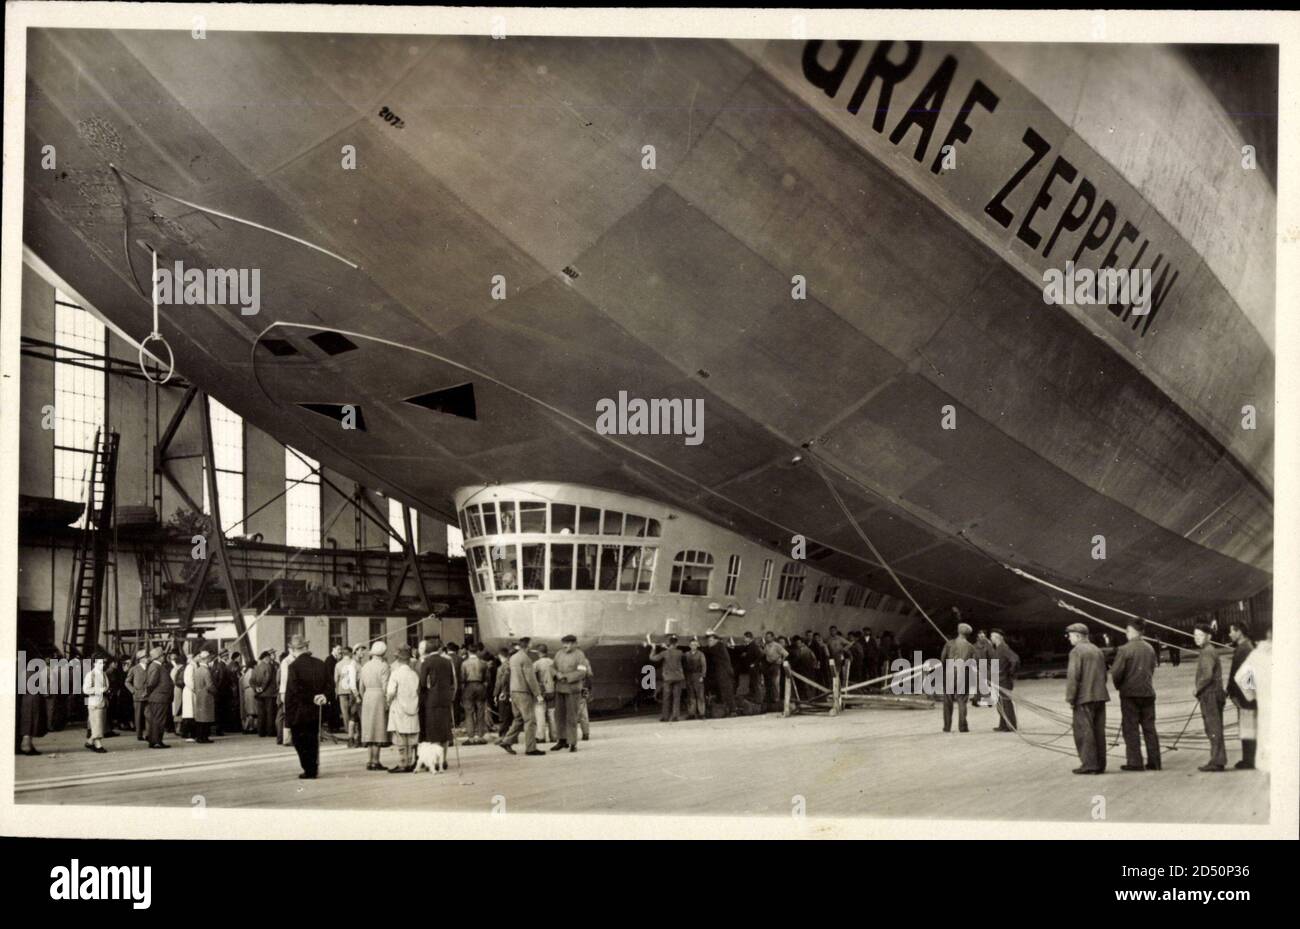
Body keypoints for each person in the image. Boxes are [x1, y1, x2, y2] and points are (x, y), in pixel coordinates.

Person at [1109, 619, 1161, 771]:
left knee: (1131, 729)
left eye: (1127, 630)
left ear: (1132, 631)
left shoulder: (1125, 649)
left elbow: (1116, 672)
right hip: (1148, 692)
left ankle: (1135, 762)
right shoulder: (1150, 648)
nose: (1126, 633)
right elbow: (1152, 668)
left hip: (1130, 694)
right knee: (1150, 728)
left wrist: (1120, 686)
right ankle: (1155, 762)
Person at [283, 635, 333, 779]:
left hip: (299, 711)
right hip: (317, 710)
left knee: (300, 742)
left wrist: (288, 719)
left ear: (292, 650)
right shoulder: (320, 663)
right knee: (313, 739)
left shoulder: (293, 667)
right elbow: (330, 685)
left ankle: (308, 769)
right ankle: (313, 767)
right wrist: (324, 696)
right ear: (306, 648)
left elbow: (293, 692)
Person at [1065, 622, 1110, 774]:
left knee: (1084, 732)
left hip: (1084, 698)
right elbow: (1104, 674)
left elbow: (1073, 677)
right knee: (1098, 732)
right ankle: (1100, 764)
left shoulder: (1076, 651)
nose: (1069, 639)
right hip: (1100, 696)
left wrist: (1071, 698)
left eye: (1070, 636)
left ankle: (1090, 765)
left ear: (1078, 636)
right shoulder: (1096, 649)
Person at [499, 637, 544, 756]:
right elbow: (530, 678)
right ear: (528, 645)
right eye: (531, 643)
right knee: (530, 720)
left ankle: (506, 741)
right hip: (523, 692)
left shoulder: (513, 657)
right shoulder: (526, 659)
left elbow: (507, 675)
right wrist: (538, 693)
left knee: (518, 719)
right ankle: (531, 748)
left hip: (514, 691)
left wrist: (506, 691)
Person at [1193, 623, 1228, 772]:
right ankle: (1218, 759)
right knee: (1214, 727)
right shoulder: (1208, 650)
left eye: (1200, 635)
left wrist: (1197, 689)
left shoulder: (1207, 652)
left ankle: (1217, 761)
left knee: (1213, 728)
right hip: (1213, 693)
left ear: (1209, 636)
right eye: (1195, 635)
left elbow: (1207, 675)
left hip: (1210, 695)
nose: (1197, 638)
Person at [1226, 621, 1257, 770]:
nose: (1230, 634)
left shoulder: (1244, 649)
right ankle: (1249, 758)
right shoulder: (1246, 647)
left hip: (1245, 696)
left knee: (1247, 727)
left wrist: (1240, 695)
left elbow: (1243, 674)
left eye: (1232, 631)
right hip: (1246, 695)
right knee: (1248, 726)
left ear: (1239, 632)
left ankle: (1249, 760)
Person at [419, 641, 457, 760]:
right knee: (445, 729)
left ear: (427, 650)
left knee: (433, 729)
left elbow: (423, 683)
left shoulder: (427, 662)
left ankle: (436, 760)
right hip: (445, 698)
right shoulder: (447, 661)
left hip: (432, 699)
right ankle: (444, 759)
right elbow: (451, 680)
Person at [386, 646, 421, 773]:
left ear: (398, 660)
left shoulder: (395, 674)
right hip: (413, 707)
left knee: (400, 736)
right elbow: (418, 691)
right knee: (411, 736)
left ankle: (403, 762)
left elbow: (390, 692)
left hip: (399, 708)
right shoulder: (414, 674)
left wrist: (388, 701)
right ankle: (411, 761)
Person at [552, 634, 590, 751]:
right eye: (564, 643)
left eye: (568, 643)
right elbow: (552, 667)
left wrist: (566, 677)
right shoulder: (559, 654)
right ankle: (562, 740)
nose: (565, 646)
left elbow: (582, 672)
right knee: (559, 716)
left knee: (571, 717)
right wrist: (556, 674)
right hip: (559, 689)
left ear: (575, 644)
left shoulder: (580, 655)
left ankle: (572, 743)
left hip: (572, 690)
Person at [358, 640, 391, 771]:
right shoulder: (384, 666)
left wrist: (363, 696)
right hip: (378, 696)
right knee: (378, 727)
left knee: (369, 728)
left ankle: (370, 760)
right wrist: (387, 701)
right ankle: (376, 760)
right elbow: (385, 686)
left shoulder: (365, 666)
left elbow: (360, 686)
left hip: (367, 695)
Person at [939, 623, 976, 733]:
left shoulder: (949, 644)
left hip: (950, 674)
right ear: (967, 634)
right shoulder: (971, 647)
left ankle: (947, 727)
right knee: (962, 701)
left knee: (948, 702)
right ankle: (963, 727)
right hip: (963, 675)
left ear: (959, 631)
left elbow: (942, 659)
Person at [648, 634, 685, 722]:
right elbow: (674, 653)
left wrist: (653, 648)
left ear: (669, 643)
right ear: (676, 644)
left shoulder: (664, 653)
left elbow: (652, 658)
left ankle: (665, 717)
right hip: (678, 677)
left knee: (666, 697)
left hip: (668, 678)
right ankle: (675, 716)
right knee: (676, 697)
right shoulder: (680, 652)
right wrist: (667, 648)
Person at [142, 647, 174, 748]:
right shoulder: (156, 666)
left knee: (157, 720)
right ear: (159, 657)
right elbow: (151, 683)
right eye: (163, 655)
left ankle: (154, 741)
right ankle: (156, 741)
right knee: (159, 720)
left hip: (159, 697)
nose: (164, 657)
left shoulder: (157, 666)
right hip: (159, 698)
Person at [989, 629, 1020, 732]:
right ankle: (1003, 725)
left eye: (992, 636)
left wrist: (1009, 673)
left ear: (997, 637)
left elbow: (1015, 659)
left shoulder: (1003, 648)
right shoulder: (998, 648)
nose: (991, 638)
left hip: (1004, 681)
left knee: (1006, 704)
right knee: (1000, 704)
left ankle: (1011, 725)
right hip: (998, 680)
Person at [460, 644, 488, 744]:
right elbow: (486, 677)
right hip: (480, 686)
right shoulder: (483, 663)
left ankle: (471, 737)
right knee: (480, 712)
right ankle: (480, 736)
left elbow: (462, 678)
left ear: (468, 651)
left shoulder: (464, 663)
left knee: (469, 712)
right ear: (477, 652)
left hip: (469, 687)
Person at [703, 632, 736, 716]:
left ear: (716, 640)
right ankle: (728, 710)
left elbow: (708, 650)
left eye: (710, 640)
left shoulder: (719, 646)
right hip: (722, 672)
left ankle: (732, 710)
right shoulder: (719, 646)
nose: (708, 642)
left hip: (724, 672)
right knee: (723, 691)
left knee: (727, 691)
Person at [333, 646, 360, 747]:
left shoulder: (338, 664)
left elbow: (336, 679)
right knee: (354, 714)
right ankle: (355, 736)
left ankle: (349, 736)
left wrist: (336, 690)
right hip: (352, 691)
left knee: (345, 713)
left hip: (342, 690)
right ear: (351, 654)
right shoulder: (355, 664)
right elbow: (358, 678)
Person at [83, 654, 110, 753]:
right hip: (94, 703)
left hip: (102, 702)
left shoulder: (104, 674)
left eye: (103, 663)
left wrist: (106, 690)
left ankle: (90, 742)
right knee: (96, 724)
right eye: (99, 663)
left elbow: (106, 685)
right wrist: (99, 690)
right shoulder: (90, 675)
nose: (102, 665)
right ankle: (98, 745)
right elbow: (86, 690)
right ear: (94, 663)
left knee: (100, 724)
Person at [531, 643, 557, 743]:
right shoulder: (553, 662)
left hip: (541, 692)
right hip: (552, 691)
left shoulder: (536, 664)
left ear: (539, 653)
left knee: (540, 714)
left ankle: (541, 737)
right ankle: (554, 736)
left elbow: (533, 679)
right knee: (552, 714)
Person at [251, 651, 278, 738]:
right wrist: (262, 688)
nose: (270, 658)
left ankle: (261, 732)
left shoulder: (256, 668)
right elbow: (268, 679)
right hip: (269, 694)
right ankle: (270, 732)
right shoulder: (269, 666)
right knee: (270, 713)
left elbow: (251, 681)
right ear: (266, 658)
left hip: (259, 694)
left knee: (261, 713)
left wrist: (256, 689)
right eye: (269, 657)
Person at [125, 650, 148, 740]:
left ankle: (148, 734)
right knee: (138, 717)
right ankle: (139, 735)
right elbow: (127, 682)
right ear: (141, 659)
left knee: (149, 716)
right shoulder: (134, 669)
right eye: (146, 657)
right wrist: (133, 691)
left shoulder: (150, 668)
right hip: (138, 697)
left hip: (148, 696)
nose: (147, 658)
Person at [683, 637, 708, 720]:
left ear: (697, 645)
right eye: (692, 644)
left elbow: (704, 666)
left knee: (700, 695)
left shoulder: (701, 654)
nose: (693, 646)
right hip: (689, 676)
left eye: (695, 644)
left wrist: (702, 676)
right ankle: (691, 713)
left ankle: (702, 713)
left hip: (698, 675)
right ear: (689, 645)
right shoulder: (686, 654)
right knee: (691, 695)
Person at [762, 632, 788, 709]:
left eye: (769, 637)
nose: (767, 638)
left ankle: (776, 699)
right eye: (766, 637)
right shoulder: (766, 645)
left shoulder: (777, 645)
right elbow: (764, 654)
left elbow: (786, 654)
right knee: (769, 682)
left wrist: (781, 661)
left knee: (775, 682)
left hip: (776, 665)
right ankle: (770, 699)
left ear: (772, 638)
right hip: (768, 665)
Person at [278, 647, 297, 746]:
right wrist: (283, 693)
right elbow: (284, 678)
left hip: (290, 691)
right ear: (290, 650)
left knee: (292, 714)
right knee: (288, 715)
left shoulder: (293, 660)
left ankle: (290, 738)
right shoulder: (286, 661)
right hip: (287, 691)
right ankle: (286, 739)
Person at [740, 631, 765, 706]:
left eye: (745, 637)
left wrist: (754, 663)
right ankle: (755, 698)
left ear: (749, 638)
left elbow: (760, 655)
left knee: (756, 684)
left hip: (755, 669)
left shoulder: (754, 646)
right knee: (753, 683)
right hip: (751, 669)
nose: (744, 639)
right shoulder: (749, 646)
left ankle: (759, 700)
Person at [494, 646, 513, 737]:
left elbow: (499, 683)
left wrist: (495, 694)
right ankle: (512, 735)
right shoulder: (513, 665)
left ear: (500, 656)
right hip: (514, 692)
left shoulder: (501, 668)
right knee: (511, 715)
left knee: (503, 715)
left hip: (504, 693)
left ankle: (503, 735)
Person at [324, 644, 342, 732]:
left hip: (334, 686)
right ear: (333, 649)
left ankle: (336, 726)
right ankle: (332, 726)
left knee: (335, 706)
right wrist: (333, 686)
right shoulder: (329, 660)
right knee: (332, 707)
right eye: (338, 649)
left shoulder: (336, 659)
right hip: (331, 687)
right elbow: (329, 675)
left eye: (340, 649)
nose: (340, 651)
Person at [240, 658, 257, 733]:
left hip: (246, 691)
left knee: (249, 710)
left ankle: (247, 727)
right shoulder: (252, 671)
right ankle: (249, 728)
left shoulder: (246, 672)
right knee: (252, 711)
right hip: (251, 691)